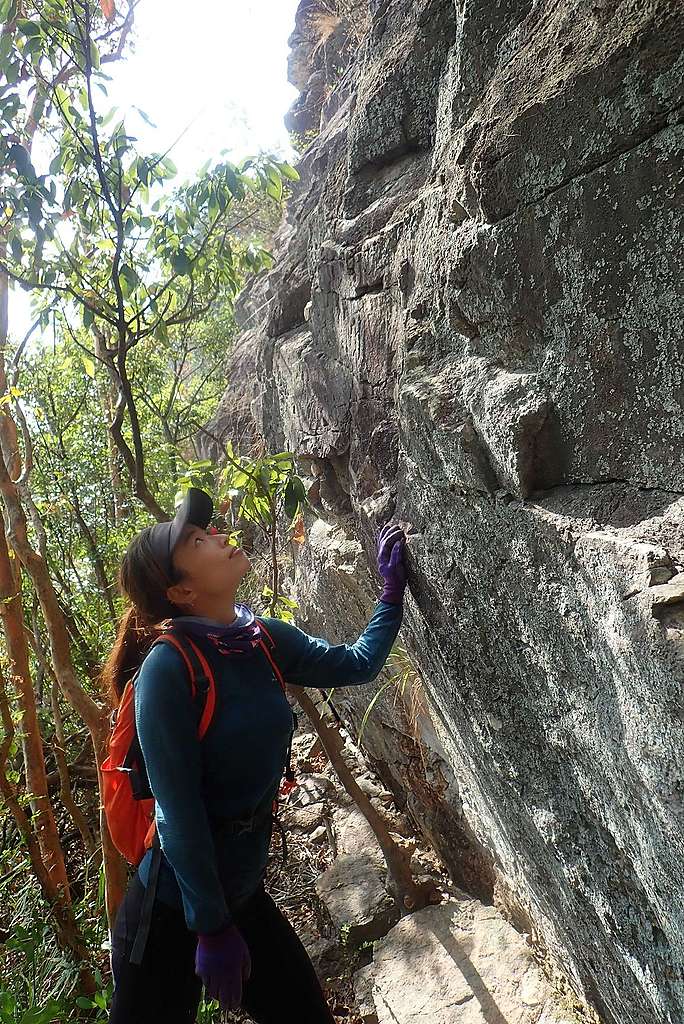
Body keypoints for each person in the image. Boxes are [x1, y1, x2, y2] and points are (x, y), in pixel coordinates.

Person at [102, 486, 408, 1024]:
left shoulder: (258, 637)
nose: (219, 536)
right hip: (172, 910)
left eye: (209, 531)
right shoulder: (168, 671)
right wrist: (212, 928)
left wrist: (390, 597)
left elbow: (354, 665)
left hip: (239, 894)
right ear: (181, 592)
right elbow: (177, 813)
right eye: (199, 541)